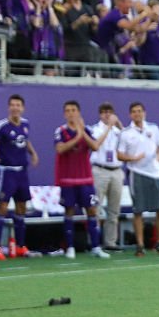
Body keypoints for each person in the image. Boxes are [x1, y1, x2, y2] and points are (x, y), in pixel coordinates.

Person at [53, 101, 111, 259]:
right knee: (69, 211)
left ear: (78, 112)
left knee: (92, 211)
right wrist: (77, 136)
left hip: (85, 178)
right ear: (65, 114)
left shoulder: (86, 130)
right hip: (68, 179)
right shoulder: (61, 131)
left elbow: (95, 146)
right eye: (68, 111)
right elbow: (60, 148)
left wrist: (81, 132)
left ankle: (96, 247)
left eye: (74, 110)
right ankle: (70, 247)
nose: (71, 113)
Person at [117, 102, 159, 257]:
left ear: (144, 113)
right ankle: (140, 245)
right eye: (133, 112)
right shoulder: (126, 133)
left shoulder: (153, 128)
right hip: (137, 173)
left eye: (139, 111)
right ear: (130, 115)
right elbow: (119, 155)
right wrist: (132, 157)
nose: (137, 114)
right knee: (138, 210)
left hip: (155, 173)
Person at [0, 94, 40, 260]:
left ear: (22, 108)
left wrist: (33, 154)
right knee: (3, 207)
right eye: (12, 105)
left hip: (22, 172)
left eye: (18, 105)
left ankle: (20, 246)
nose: (15, 108)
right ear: (8, 107)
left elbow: (25, 141)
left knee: (21, 207)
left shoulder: (25, 124)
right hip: (7, 171)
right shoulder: (2, 126)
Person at [90, 103, 124, 251]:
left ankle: (110, 242)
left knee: (114, 209)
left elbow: (128, 138)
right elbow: (97, 143)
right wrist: (109, 127)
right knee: (95, 208)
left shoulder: (117, 131)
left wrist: (118, 124)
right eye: (104, 112)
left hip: (116, 170)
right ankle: (94, 242)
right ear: (100, 114)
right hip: (100, 170)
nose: (107, 115)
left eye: (109, 112)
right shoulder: (94, 129)